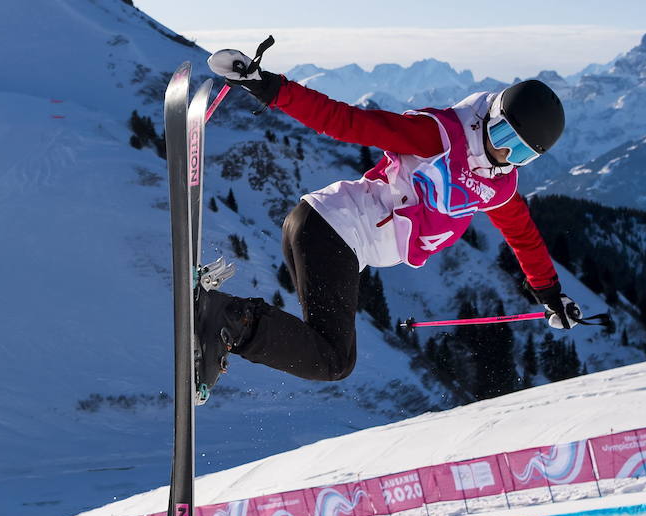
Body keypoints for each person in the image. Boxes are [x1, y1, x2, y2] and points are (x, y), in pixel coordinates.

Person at [195, 42, 582, 390]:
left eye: (521, 153)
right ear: (490, 115)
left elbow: (523, 235)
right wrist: (272, 87)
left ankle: (224, 328)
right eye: (504, 136)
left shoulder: (499, 184)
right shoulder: (437, 136)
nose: (505, 155)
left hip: (327, 231)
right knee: (334, 360)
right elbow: (347, 122)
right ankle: (229, 321)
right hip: (333, 229)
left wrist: (550, 293)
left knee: (321, 346)